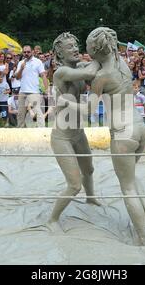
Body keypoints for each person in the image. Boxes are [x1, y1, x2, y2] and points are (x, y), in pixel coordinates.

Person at [59, 27, 145, 246]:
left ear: (94, 50)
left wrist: (65, 102)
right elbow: (95, 65)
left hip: (123, 134)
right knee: (131, 177)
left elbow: (88, 111)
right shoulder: (122, 63)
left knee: (127, 187)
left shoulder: (101, 77)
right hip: (141, 128)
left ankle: (143, 239)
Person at [47, 32, 101, 228]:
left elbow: (95, 69)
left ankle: (91, 198)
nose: (76, 49)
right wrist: (100, 52)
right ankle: (52, 220)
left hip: (78, 133)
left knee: (89, 169)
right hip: (62, 137)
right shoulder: (61, 72)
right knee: (74, 185)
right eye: (70, 47)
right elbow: (90, 72)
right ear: (60, 54)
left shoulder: (78, 66)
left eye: (76, 45)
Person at [15, 45, 47, 128]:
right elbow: (17, 77)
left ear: (32, 52)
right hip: (22, 91)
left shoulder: (38, 62)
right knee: (20, 114)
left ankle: (42, 131)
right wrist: (21, 68)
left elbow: (43, 76)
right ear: (23, 53)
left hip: (34, 92)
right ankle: (21, 132)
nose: (26, 53)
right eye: (25, 52)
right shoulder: (20, 63)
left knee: (37, 112)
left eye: (28, 52)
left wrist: (46, 89)